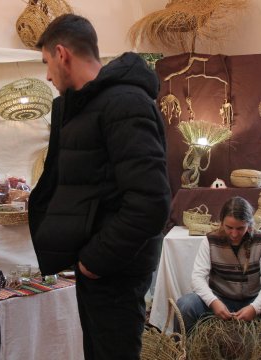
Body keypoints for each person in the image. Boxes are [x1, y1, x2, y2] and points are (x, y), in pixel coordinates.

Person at [28, 14, 171, 360]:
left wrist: (96, 260)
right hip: (102, 268)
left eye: (47, 62)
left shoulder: (124, 103)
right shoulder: (88, 106)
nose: (47, 75)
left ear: (62, 54)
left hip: (115, 268)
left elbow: (151, 201)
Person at [176, 196, 261, 360]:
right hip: (220, 302)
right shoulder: (210, 240)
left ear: (249, 225)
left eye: (240, 228)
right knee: (185, 305)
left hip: (253, 301)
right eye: (229, 227)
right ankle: (189, 355)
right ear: (221, 222)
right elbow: (198, 278)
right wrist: (214, 303)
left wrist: (254, 308)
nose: (234, 234)